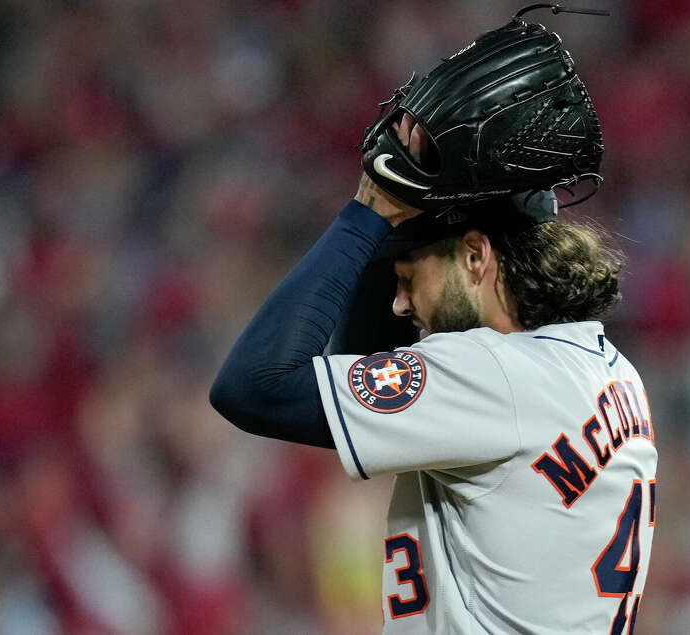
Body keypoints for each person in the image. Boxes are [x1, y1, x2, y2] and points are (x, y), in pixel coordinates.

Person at [209, 22, 658, 629]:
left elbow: (255, 387)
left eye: (407, 278)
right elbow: (370, 356)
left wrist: (369, 211)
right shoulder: (601, 369)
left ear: (476, 256)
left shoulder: (494, 375)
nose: (397, 304)